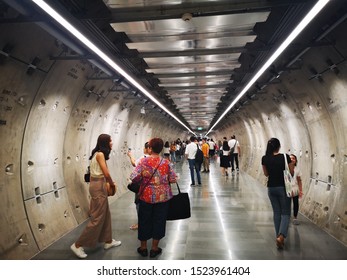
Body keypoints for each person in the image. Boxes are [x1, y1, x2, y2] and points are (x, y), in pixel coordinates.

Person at [70, 134, 121, 259]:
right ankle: (77, 245)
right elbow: (106, 172)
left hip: (98, 184)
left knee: (106, 214)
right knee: (98, 218)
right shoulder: (100, 154)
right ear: (105, 142)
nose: (112, 143)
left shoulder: (97, 154)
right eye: (110, 141)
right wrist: (112, 183)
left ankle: (108, 241)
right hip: (98, 185)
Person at [130, 138, 176, 258]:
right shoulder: (166, 163)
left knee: (144, 220)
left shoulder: (143, 162)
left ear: (150, 148)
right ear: (161, 149)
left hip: (146, 196)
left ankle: (143, 248)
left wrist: (143, 178)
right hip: (163, 198)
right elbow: (173, 179)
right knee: (159, 221)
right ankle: (154, 248)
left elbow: (134, 177)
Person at [261, 137, 293, 249]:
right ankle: (281, 236)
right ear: (278, 146)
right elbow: (291, 172)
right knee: (285, 213)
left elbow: (266, 174)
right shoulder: (285, 157)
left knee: (276, 212)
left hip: (271, 188)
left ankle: (278, 236)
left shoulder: (264, 158)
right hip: (283, 187)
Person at [127, 142, 151, 230]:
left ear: (148, 149)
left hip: (142, 186)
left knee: (139, 203)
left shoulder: (143, 159)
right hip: (152, 187)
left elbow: (134, 164)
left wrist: (130, 155)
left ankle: (141, 223)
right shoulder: (159, 159)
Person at [290, 154, 303, 225]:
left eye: (293, 158)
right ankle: (286, 216)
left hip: (295, 188)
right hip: (287, 188)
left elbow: (299, 180)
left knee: (295, 203)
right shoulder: (285, 168)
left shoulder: (297, 169)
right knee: (286, 204)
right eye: (290, 158)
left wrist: (300, 190)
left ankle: (295, 217)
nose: (292, 160)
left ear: (295, 160)